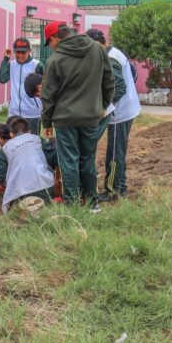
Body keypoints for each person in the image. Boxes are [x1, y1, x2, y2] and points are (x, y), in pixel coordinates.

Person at [41, 21, 114, 211]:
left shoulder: (55, 61)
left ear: (55, 39)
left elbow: (48, 96)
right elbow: (109, 80)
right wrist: (102, 105)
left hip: (65, 119)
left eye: (49, 42)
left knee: (69, 161)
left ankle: (72, 206)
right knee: (87, 158)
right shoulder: (97, 50)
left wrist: (46, 122)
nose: (51, 47)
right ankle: (92, 203)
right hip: (91, 116)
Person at [87, 29, 139, 201]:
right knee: (118, 150)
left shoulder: (110, 58)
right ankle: (120, 186)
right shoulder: (114, 52)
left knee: (115, 152)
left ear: (97, 43)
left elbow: (119, 88)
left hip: (120, 113)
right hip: (125, 109)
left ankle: (113, 191)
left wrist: (104, 106)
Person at [0, 117, 56, 213]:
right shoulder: (37, 139)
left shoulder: (5, 149)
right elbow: (52, 160)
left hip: (19, 194)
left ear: (11, 134)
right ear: (29, 131)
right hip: (46, 189)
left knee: (16, 210)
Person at [0, 37, 44, 134]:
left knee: (32, 141)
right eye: (18, 52)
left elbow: (45, 87)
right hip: (14, 112)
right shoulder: (12, 65)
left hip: (32, 113)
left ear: (29, 51)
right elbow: (2, 79)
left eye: (23, 52)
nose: (20, 55)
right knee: (12, 140)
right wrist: (5, 59)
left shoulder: (37, 65)